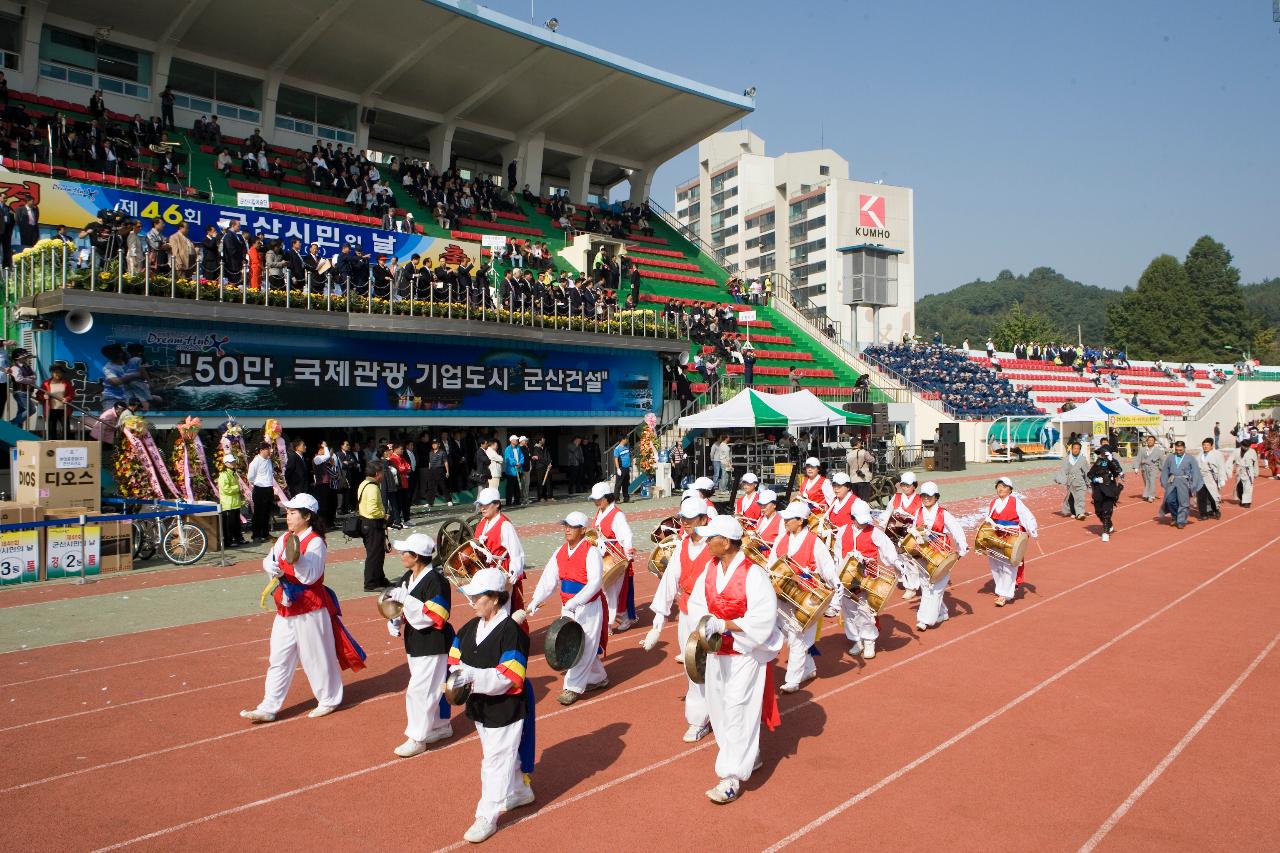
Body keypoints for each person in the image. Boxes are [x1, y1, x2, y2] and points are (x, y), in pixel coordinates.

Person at [240, 494, 364, 723]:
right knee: (278, 658)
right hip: (286, 608)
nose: (287, 517)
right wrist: (272, 566)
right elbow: (270, 560)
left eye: (293, 513)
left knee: (315, 657)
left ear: (307, 516)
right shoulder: (285, 537)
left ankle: (328, 699)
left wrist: (296, 560)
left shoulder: (315, 541)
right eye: (287, 512)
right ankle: (268, 706)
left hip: (310, 608)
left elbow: (310, 576)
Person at [685, 515, 782, 804]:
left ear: (725, 542)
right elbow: (697, 603)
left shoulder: (754, 574)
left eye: (710, 537)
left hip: (745, 652)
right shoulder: (710, 568)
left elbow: (763, 618)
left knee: (738, 706)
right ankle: (747, 756)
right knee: (720, 710)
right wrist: (706, 625)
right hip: (717, 651)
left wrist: (725, 625)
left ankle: (730, 777)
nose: (705, 542)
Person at [447, 568, 536, 844]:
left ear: (495, 599)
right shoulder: (469, 628)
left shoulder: (512, 633)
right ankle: (520, 790)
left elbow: (508, 677)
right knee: (495, 754)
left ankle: (487, 815)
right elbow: (454, 660)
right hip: (480, 706)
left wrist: (471, 675)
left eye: (478, 597)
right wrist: (459, 678)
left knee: (494, 761)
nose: (472, 601)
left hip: (505, 707)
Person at [643, 497, 713, 741]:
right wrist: (657, 622)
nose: (685, 524)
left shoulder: (717, 544)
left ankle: (718, 713)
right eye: (683, 519)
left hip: (712, 614)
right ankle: (698, 720)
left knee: (716, 667)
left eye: (690, 520)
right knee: (693, 667)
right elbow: (669, 581)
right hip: (686, 612)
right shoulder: (682, 545)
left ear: (704, 519)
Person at [384, 533, 455, 756]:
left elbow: (438, 615)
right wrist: (394, 618)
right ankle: (441, 725)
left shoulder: (436, 582)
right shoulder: (408, 577)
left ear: (417, 556)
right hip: (415, 641)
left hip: (433, 643)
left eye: (406, 552)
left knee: (419, 690)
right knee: (431, 686)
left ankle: (416, 738)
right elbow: (398, 604)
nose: (402, 555)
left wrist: (407, 600)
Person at [529, 512, 609, 705]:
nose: (567, 529)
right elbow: (549, 579)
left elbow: (595, 583)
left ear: (583, 530)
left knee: (583, 645)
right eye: (565, 525)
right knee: (572, 644)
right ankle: (598, 677)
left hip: (588, 607)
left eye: (572, 526)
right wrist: (536, 599)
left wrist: (576, 601)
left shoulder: (591, 552)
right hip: (568, 605)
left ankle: (572, 687)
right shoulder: (560, 551)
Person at [771, 502, 838, 692]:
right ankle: (809, 668)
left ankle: (792, 680)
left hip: (807, 599)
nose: (784, 522)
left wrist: (835, 600)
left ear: (800, 521)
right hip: (783, 596)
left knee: (798, 637)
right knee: (787, 636)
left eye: (789, 519)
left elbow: (829, 571)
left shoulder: (814, 542)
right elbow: (771, 565)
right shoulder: (781, 539)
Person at [835, 501, 898, 658]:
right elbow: (837, 553)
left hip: (868, 577)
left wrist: (896, 564)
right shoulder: (843, 531)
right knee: (848, 611)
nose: (862, 524)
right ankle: (856, 640)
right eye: (859, 520)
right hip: (847, 578)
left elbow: (888, 549)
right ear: (853, 517)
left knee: (865, 610)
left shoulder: (874, 532)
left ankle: (869, 641)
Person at [910, 482, 968, 630]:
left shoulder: (943, 513)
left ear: (936, 497)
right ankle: (942, 612)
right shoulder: (918, 512)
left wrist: (962, 550)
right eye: (924, 495)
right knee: (925, 585)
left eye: (930, 496)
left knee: (936, 587)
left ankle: (925, 619)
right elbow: (913, 529)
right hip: (923, 553)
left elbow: (956, 530)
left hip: (940, 554)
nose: (926, 498)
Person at [983, 477, 1039, 605]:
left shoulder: (1015, 502)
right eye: (999, 486)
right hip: (996, 536)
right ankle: (1003, 589)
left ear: (1010, 490)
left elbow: (1026, 516)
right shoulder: (993, 503)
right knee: (995, 565)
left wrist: (1032, 529)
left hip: (1012, 535)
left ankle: (1004, 594)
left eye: (1004, 486)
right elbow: (989, 519)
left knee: (1009, 565)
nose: (1001, 488)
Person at [474, 487, 527, 620]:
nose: (482, 508)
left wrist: (511, 578)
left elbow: (517, 553)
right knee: (487, 610)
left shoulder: (505, 525)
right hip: (487, 572)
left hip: (501, 573)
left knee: (502, 611)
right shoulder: (482, 522)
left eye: (486, 504)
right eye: (481, 505)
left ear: (497, 504)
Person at [590, 481, 636, 632]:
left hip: (615, 557)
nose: (596, 502)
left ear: (606, 497)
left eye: (598, 499)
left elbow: (626, 535)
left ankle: (608, 623)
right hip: (602, 555)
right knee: (608, 590)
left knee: (610, 591)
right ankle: (621, 617)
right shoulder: (600, 512)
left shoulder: (617, 515)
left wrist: (628, 555)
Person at [880, 472, 923, 599]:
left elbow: (921, 518)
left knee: (910, 560)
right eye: (903, 485)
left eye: (908, 485)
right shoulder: (897, 497)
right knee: (897, 558)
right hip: (895, 534)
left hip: (910, 534)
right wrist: (884, 523)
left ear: (914, 485)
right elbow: (888, 512)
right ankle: (904, 579)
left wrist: (909, 523)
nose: (905, 488)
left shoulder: (920, 499)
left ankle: (911, 587)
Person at [357, 461, 392, 591]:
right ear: (377, 473)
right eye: (382, 472)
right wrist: (384, 515)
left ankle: (380, 579)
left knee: (377, 553)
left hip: (365, 523)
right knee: (374, 554)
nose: (383, 474)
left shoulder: (363, 484)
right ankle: (371, 583)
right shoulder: (373, 487)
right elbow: (372, 510)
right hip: (372, 523)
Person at [1158, 441, 1202, 529]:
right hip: (1172, 481)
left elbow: (1195, 472)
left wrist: (1193, 484)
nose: (1178, 452)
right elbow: (1165, 470)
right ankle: (1175, 517)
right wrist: (1164, 481)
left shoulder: (1190, 458)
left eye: (1180, 450)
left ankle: (1181, 521)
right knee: (1169, 500)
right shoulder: (1170, 457)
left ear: (1184, 448)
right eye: (1177, 450)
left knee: (1183, 502)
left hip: (1184, 482)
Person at [1088, 450, 1125, 542]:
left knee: (1106, 512)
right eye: (1102, 453)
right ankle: (1109, 524)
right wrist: (1095, 479)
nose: (1103, 454)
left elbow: (1118, 471)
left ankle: (1105, 532)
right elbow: (1090, 474)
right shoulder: (1098, 462)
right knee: (1098, 511)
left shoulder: (1113, 461)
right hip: (1098, 490)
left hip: (1109, 490)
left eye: (1105, 453)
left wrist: (1111, 460)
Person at [247, 443, 277, 542]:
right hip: (260, 489)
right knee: (258, 513)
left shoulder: (268, 461)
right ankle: (256, 535)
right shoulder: (255, 462)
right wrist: (258, 483)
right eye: (268, 449)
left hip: (268, 488)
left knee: (267, 512)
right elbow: (250, 477)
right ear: (261, 450)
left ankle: (265, 533)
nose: (270, 451)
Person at [218, 453, 247, 547]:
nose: (233, 463)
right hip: (228, 504)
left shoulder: (233, 473)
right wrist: (237, 488)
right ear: (225, 463)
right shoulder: (224, 474)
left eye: (234, 462)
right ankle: (228, 541)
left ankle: (239, 539)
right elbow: (225, 489)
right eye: (231, 462)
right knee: (228, 525)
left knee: (236, 523)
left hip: (234, 503)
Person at [1056, 439, 1089, 520]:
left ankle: (1080, 513)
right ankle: (1074, 511)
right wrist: (1060, 479)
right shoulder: (1067, 459)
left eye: (1078, 448)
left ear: (1080, 450)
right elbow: (1063, 470)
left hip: (1080, 482)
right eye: (1074, 448)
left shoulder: (1083, 459)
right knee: (1071, 498)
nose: (1076, 450)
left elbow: (1087, 471)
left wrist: (1089, 481)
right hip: (1070, 482)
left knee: (1080, 498)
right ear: (1072, 449)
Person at [40, 365, 75, 439]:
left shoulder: (66, 383)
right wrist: (44, 396)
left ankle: (65, 445)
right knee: (51, 429)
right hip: (50, 410)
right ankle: (52, 446)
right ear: (52, 373)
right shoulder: (45, 383)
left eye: (60, 373)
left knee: (66, 429)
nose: (58, 374)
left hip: (63, 410)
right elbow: (39, 395)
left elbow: (71, 394)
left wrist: (67, 398)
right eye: (56, 373)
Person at [1195, 438, 1227, 520]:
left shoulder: (1217, 454)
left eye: (1207, 445)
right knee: (1201, 496)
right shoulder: (1199, 455)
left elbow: (1221, 466)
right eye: (1204, 445)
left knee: (1212, 495)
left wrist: (1222, 479)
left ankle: (1215, 510)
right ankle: (1203, 514)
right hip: (1200, 478)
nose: (1205, 447)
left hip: (1211, 477)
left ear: (1211, 446)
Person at [1133, 436, 1165, 502]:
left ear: (1154, 442)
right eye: (1149, 440)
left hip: (1153, 467)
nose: (1150, 441)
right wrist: (1136, 467)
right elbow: (1138, 458)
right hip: (1144, 468)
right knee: (1146, 481)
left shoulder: (1158, 451)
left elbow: (1162, 460)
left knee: (1152, 481)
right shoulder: (1142, 449)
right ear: (1147, 441)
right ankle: (1147, 494)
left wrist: (1163, 469)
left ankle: (1151, 496)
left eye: (1152, 440)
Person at [423, 438, 452, 507]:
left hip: (440, 470)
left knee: (443, 486)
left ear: (439, 444)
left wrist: (447, 471)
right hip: (432, 470)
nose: (434, 445)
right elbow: (430, 462)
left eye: (435, 444)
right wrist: (429, 470)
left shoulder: (442, 452)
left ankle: (449, 500)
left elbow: (445, 462)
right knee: (431, 487)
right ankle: (430, 502)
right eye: (433, 444)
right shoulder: (430, 452)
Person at [753, 490, 782, 556]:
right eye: (760, 504)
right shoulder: (761, 518)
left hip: (770, 559)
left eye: (765, 505)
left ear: (774, 505)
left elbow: (782, 544)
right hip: (758, 557)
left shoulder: (781, 521)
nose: (762, 508)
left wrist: (761, 547)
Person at [1231, 440, 1259, 508]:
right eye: (1244, 446)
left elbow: (1255, 463)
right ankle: (1241, 499)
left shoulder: (1252, 451)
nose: (1246, 448)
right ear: (1241, 445)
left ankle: (1247, 502)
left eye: (1247, 447)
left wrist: (1256, 472)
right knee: (1239, 487)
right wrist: (1227, 469)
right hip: (1239, 470)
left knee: (1248, 487)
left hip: (1249, 471)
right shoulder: (1236, 451)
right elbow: (1231, 460)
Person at [502, 436, 524, 507]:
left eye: (517, 439)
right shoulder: (508, 449)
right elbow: (508, 459)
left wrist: (520, 463)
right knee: (510, 487)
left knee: (517, 487)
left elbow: (522, 457)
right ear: (511, 440)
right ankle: (508, 502)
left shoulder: (518, 448)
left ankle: (517, 501)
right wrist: (515, 463)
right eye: (516, 439)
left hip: (518, 470)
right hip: (511, 471)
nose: (517, 440)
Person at [612, 435, 633, 503]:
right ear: (623, 439)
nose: (627, 440)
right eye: (626, 439)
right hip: (621, 468)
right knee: (618, 484)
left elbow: (629, 456)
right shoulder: (617, 449)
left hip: (627, 468)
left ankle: (626, 498)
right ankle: (616, 499)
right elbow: (616, 459)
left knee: (626, 484)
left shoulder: (627, 447)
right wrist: (618, 469)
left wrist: (630, 465)